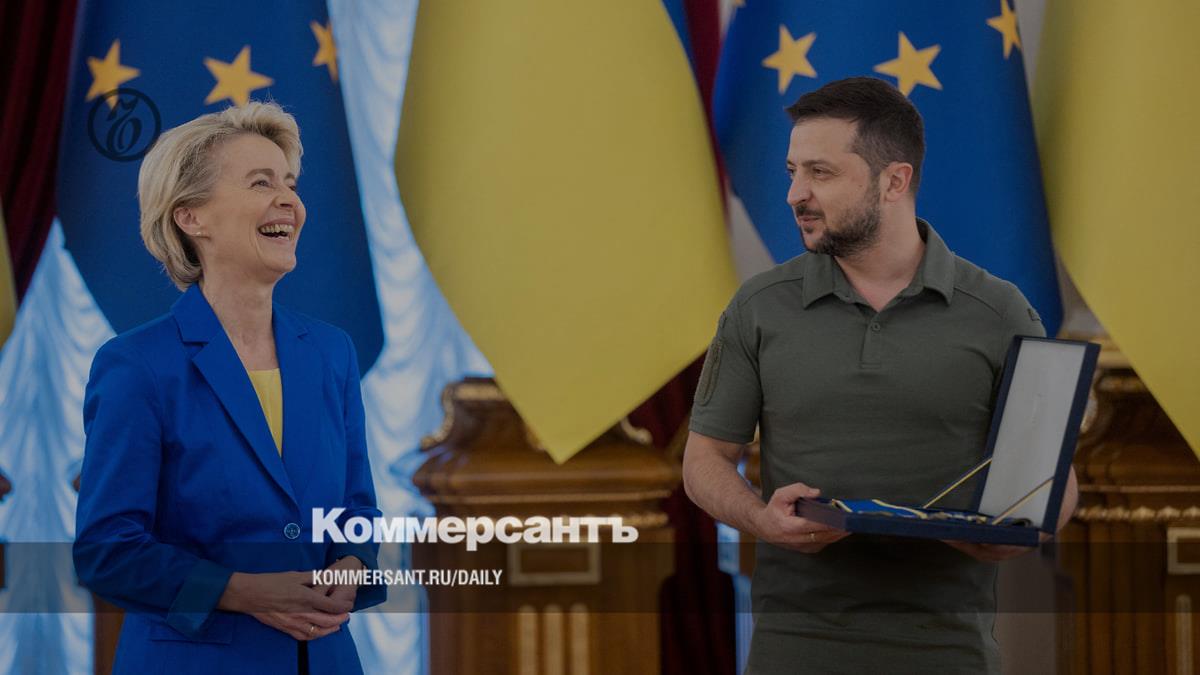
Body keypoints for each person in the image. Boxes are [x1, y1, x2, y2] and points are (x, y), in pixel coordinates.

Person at [682, 77, 1077, 674]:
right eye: (792, 171)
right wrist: (761, 519)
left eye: (820, 172)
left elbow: (1056, 478)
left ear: (894, 181)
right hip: (793, 648)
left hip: (949, 650)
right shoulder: (757, 307)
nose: (794, 193)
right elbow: (704, 460)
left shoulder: (1000, 311)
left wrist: (1027, 529)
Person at [74, 102, 385, 674]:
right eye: (261, 182)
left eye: (290, 184)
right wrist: (241, 591)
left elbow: (356, 510)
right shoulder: (136, 365)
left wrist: (353, 565)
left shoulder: (331, 352)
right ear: (191, 218)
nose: (288, 200)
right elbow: (107, 552)